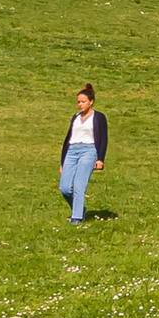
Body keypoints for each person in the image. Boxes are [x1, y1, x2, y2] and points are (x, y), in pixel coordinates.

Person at [59, 84, 107, 224]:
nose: (80, 105)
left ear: (91, 101)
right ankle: (80, 209)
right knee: (65, 188)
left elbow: (103, 139)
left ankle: (77, 218)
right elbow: (68, 139)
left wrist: (100, 159)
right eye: (78, 102)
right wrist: (62, 161)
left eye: (83, 102)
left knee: (79, 185)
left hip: (89, 151)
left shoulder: (98, 117)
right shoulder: (75, 117)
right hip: (72, 151)